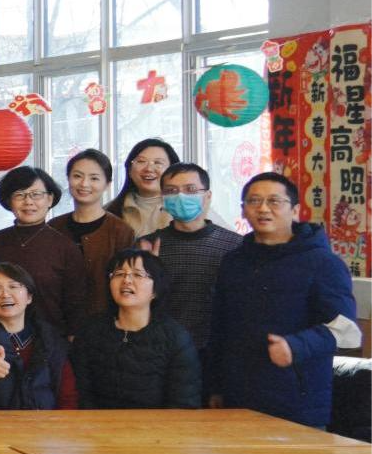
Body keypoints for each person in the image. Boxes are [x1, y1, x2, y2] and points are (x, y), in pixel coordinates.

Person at [207, 173, 362, 428]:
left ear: (295, 210)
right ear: (243, 210)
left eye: (274, 201)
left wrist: (296, 346)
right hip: (238, 398)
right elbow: (220, 328)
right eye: (254, 201)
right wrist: (215, 386)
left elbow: (347, 330)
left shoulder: (323, 263)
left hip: (297, 402)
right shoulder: (233, 262)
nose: (263, 208)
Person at [70, 249, 201, 409]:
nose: (127, 280)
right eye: (119, 274)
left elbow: (183, 404)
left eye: (138, 275)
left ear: (156, 290)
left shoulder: (175, 338)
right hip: (97, 423)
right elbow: (82, 395)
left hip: (157, 424)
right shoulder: (90, 332)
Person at [145, 162, 242, 353]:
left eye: (190, 190)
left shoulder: (235, 245)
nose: (181, 196)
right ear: (163, 198)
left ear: (208, 196)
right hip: (163, 349)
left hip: (219, 349)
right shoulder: (148, 246)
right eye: (171, 191)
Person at [0, 167, 92, 337]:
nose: (28, 201)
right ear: (9, 201)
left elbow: (76, 305)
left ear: (50, 199)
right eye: (20, 195)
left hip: (50, 340)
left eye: (36, 194)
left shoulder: (66, 248)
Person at [0, 263, 77, 410]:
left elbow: (67, 395)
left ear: (29, 297)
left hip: (45, 422)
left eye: (13, 286)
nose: (5, 294)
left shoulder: (50, 338)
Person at [47, 150, 136, 322]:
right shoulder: (53, 227)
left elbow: (126, 280)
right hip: (57, 322)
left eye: (94, 178)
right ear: (68, 179)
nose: (84, 184)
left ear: (107, 184)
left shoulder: (121, 231)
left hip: (106, 322)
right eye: (77, 176)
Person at [104, 138, 179, 238]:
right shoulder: (109, 211)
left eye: (158, 163)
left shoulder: (185, 208)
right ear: (129, 170)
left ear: (172, 171)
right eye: (141, 161)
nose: (149, 169)